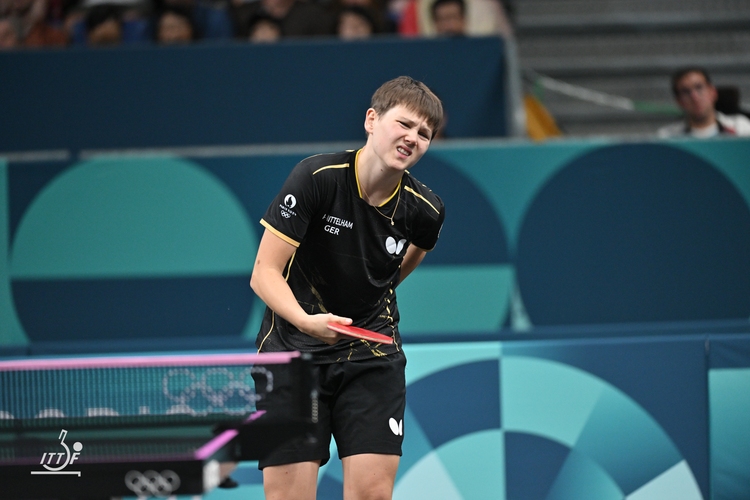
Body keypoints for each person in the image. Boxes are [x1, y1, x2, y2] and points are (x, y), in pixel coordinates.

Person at [249, 76, 445, 500]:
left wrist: (369, 296)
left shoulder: (425, 211)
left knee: (373, 494)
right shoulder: (317, 178)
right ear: (372, 120)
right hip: (294, 351)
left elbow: (395, 272)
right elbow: (264, 271)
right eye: (405, 124)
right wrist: (306, 320)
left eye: (425, 134)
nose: (413, 138)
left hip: (370, 352)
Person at [658, 67, 750, 138]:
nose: (694, 97)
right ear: (678, 101)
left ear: (713, 92)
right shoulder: (667, 137)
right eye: (686, 91)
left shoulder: (741, 128)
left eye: (699, 88)